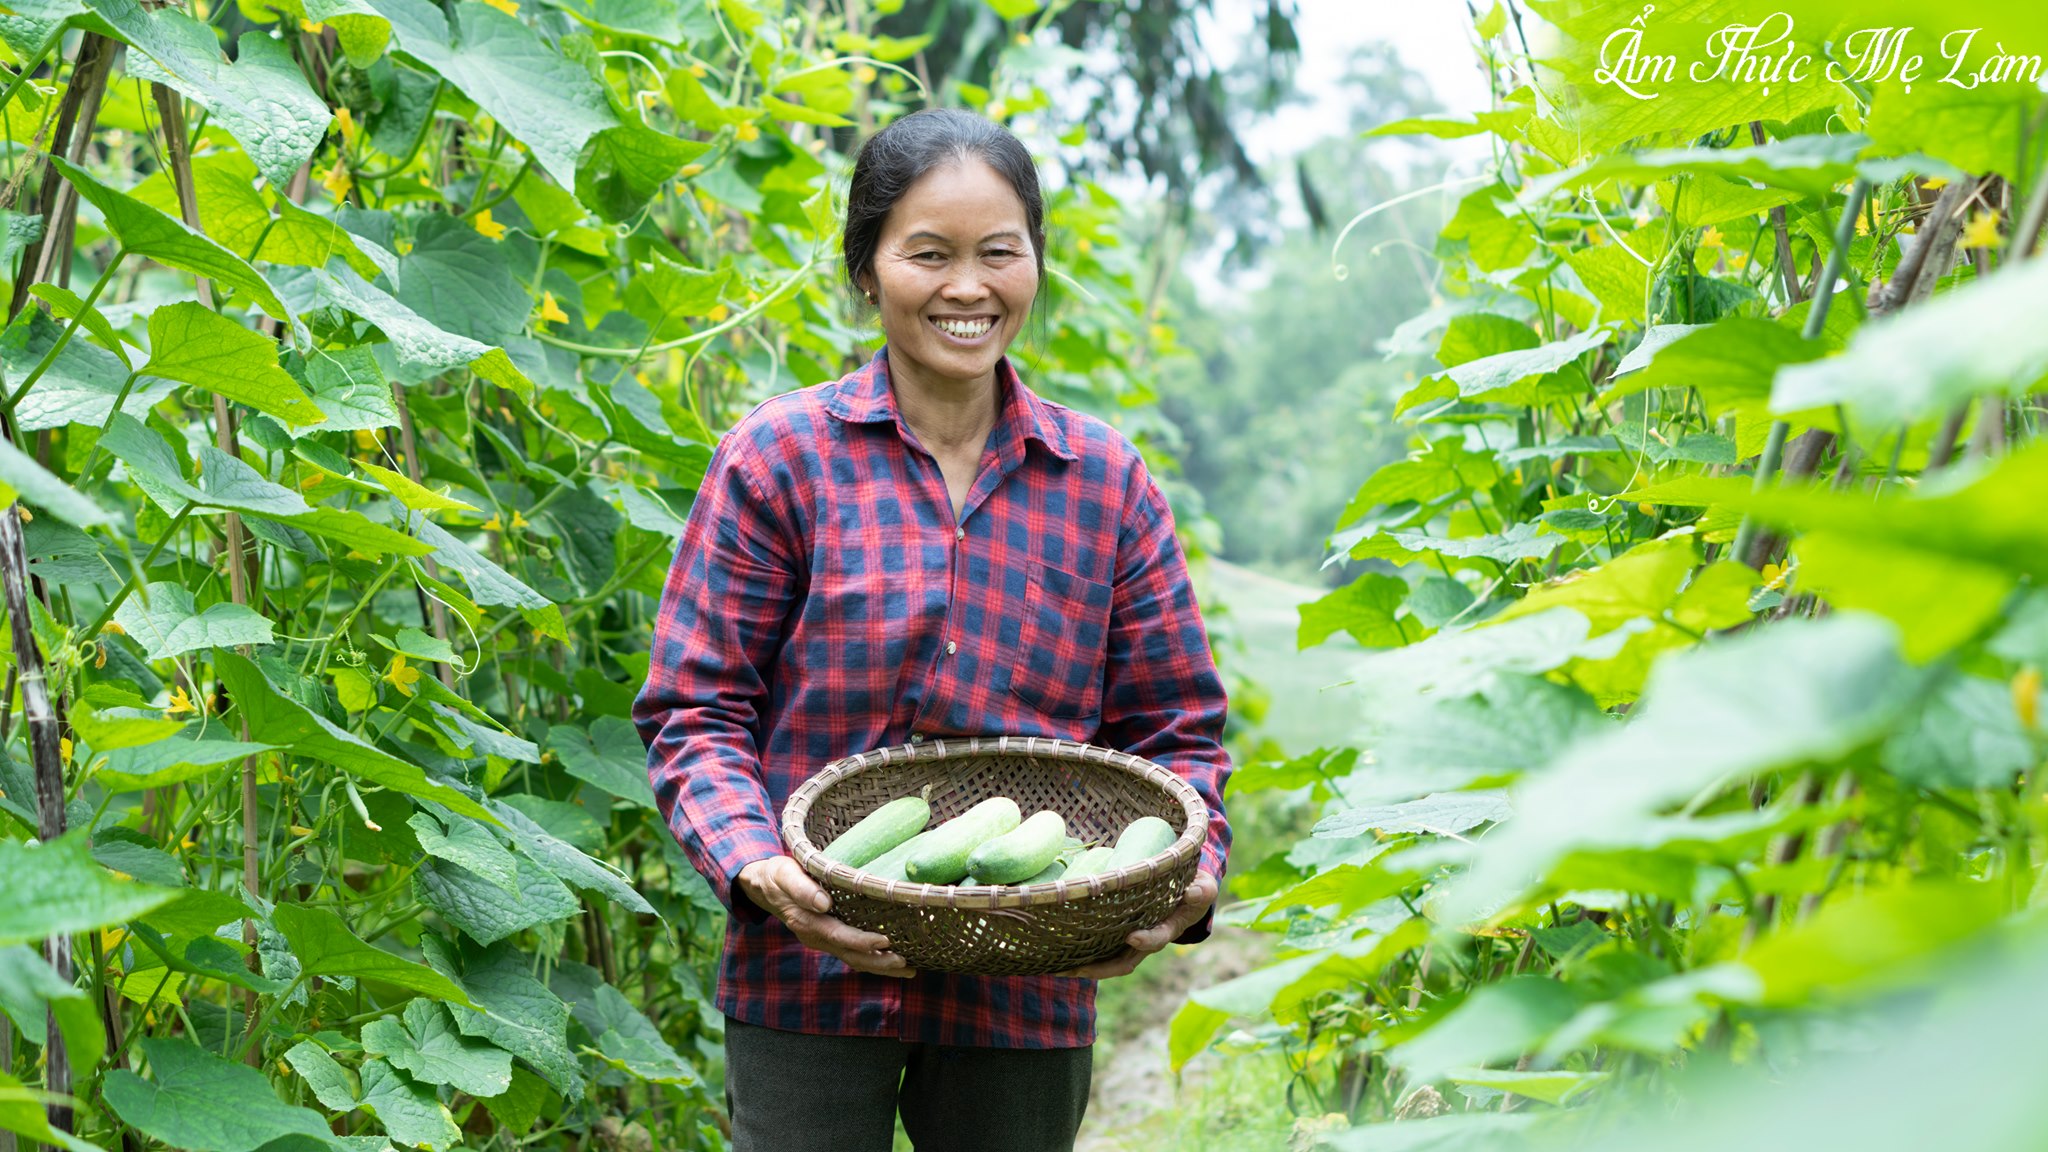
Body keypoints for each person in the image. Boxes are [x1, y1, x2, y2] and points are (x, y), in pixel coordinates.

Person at [632, 107, 1231, 1152]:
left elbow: (1175, 727)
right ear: (866, 270)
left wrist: (1189, 877)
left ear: (1034, 262)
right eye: (928, 254)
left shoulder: (1104, 483)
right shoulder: (778, 459)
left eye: (998, 252)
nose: (967, 287)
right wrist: (754, 862)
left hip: (1031, 975)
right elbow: (695, 706)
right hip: (806, 967)